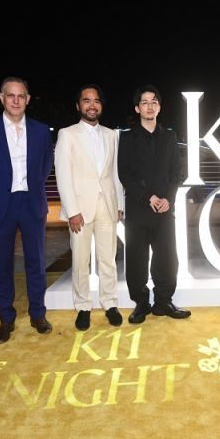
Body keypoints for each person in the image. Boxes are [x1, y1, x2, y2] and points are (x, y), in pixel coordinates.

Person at [0, 77, 54, 344]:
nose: (16, 101)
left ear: (28, 99)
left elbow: (46, 164)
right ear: (2, 98)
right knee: (2, 265)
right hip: (1, 205)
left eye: (21, 96)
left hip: (32, 203)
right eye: (11, 95)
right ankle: (6, 318)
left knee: (37, 263)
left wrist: (34, 185)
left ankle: (38, 314)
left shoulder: (41, 130)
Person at [118, 85, 190, 323]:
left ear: (159, 107)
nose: (149, 106)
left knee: (167, 257)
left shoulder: (169, 136)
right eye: (144, 102)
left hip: (164, 209)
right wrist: (148, 197)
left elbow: (176, 173)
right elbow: (125, 174)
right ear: (137, 108)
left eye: (154, 102)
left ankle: (163, 302)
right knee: (137, 259)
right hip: (138, 208)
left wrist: (168, 199)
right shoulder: (127, 138)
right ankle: (141, 303)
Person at [55, 85, 124, 331]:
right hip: (80, 210)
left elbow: (115, 173)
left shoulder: (112, 135)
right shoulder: (67, 134)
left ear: (101, 106)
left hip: (107, 205)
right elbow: (63, 174)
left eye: (96, 101)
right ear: (78, 106)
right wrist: (72, 210)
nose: (92, 105)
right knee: (80, 260)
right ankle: (83, 306)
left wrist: (119, 204)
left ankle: (110, 303)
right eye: (86, 100)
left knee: (108, 259)